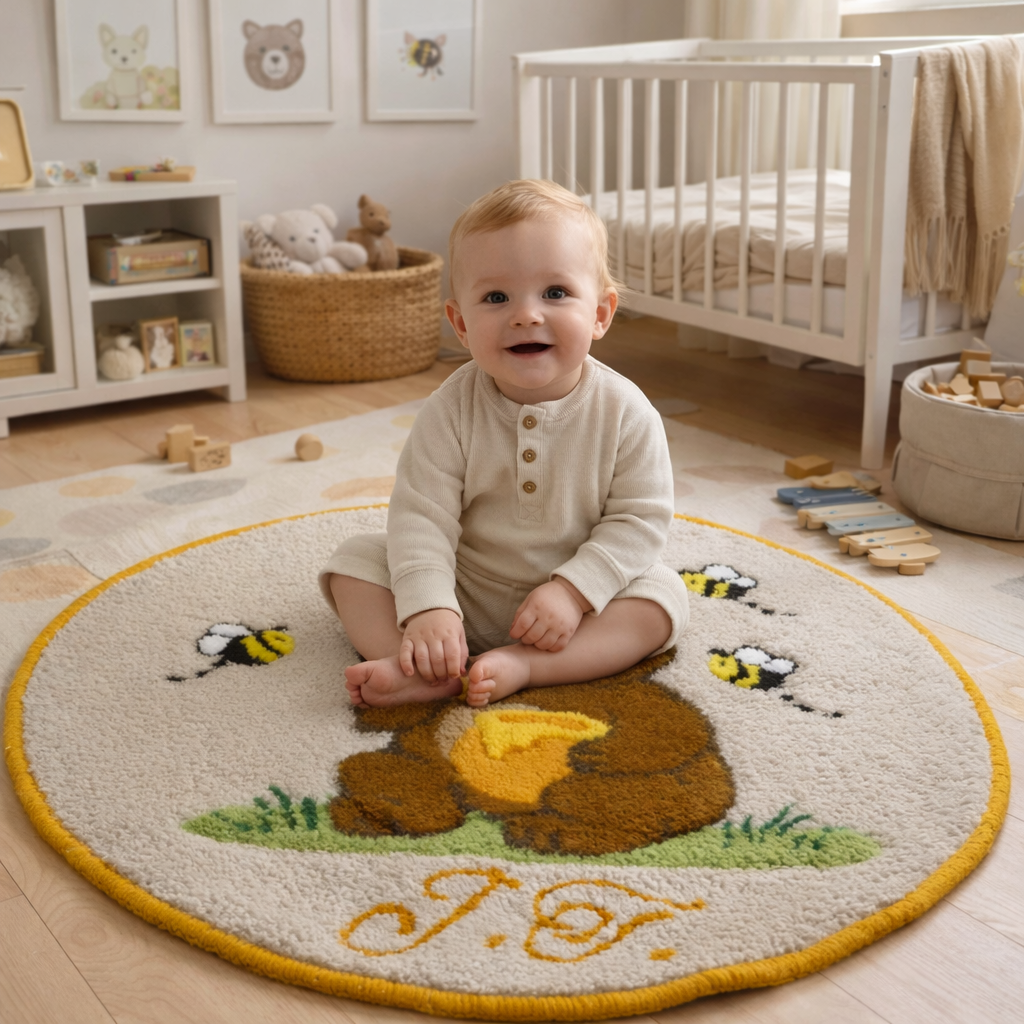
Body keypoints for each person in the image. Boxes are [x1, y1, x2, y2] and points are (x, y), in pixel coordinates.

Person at [319, 179, 688, 709]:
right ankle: (424, 664)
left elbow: (640, 520)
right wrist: (429, 607)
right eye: (496, 298)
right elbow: (422, 516)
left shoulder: (627, 412)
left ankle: (528, 665)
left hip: (580, 608)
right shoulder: (449, 409)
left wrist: (573, 591)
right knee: (354, 563)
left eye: (555, 293)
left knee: (661, 599)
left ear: (601, 313)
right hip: (464, 588)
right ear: (461, 324)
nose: (526, 315)